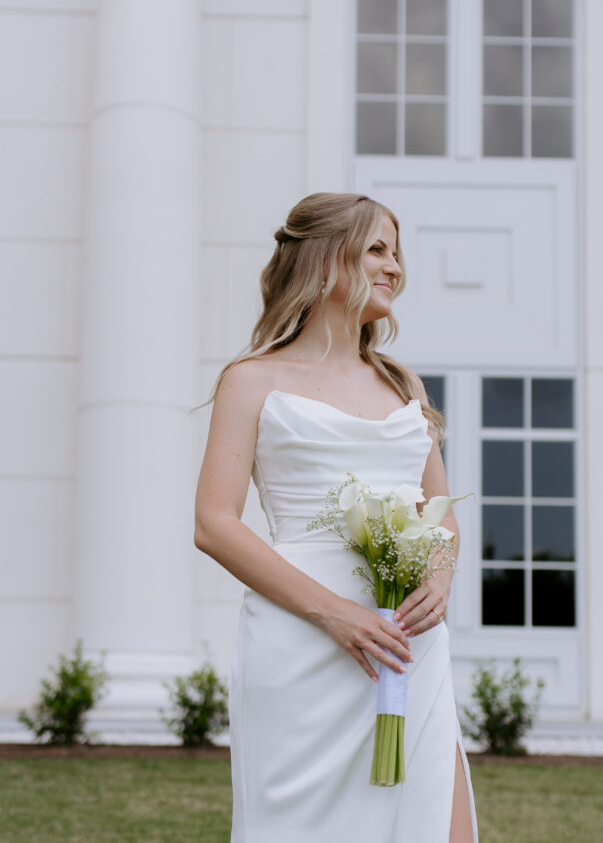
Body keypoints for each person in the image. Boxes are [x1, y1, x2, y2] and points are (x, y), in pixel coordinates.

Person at [194, 192, 478, 842]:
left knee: (433, 821)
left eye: (397, 254)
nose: (394, 267)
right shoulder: (251, 380)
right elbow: (214, 522)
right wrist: (334, 612)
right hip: (302, 643)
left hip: (405, 644)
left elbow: (438, 516)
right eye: (376, 248)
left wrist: (437, 579)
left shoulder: (405, 385)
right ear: (324, 262)